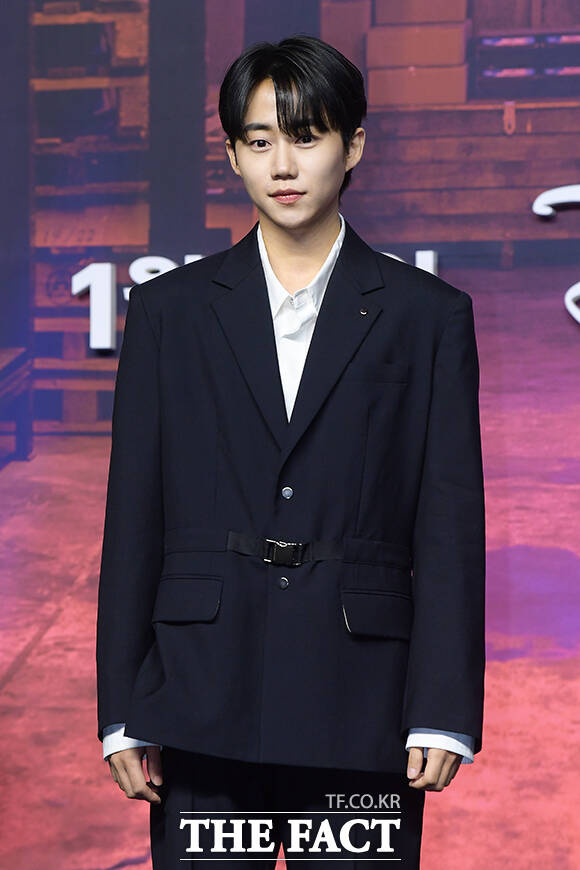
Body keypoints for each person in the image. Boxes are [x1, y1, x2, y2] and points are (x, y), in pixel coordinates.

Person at [96, 35, 486, 868]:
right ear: (232, 154)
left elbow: (448, 522)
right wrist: (122, 709)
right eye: (260, 139)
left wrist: (444, 708)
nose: (283, 164)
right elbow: (134, 517)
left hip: (362, 699)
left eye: (306, 137)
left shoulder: (428, 316)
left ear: (354, 145)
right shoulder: (168, 314)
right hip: (200, 690)